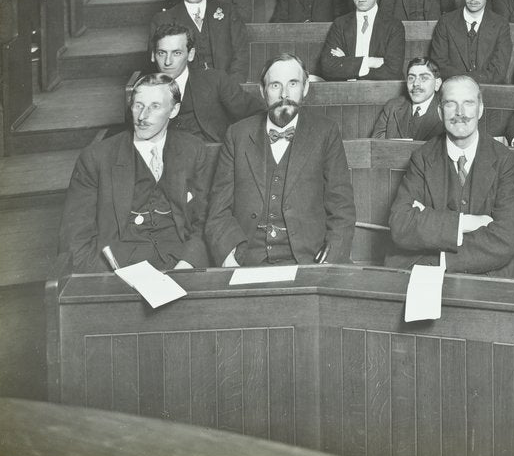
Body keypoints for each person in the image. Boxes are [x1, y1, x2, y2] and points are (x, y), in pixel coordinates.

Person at [206, 53, 356, 266]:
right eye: (275, 85)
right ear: (262, 91)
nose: (284, 94)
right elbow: (218, 210)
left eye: (293, 84)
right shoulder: (237, 135)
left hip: (308, 261)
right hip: (247, 261)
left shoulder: (326, 132)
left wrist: (329, 261)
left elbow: (342, 208)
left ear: (305, 89)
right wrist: (228, 257)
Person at [59, 73, 216, 273]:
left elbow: (204, 220)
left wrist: (187, 264)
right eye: (138, 105)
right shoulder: (96, 158)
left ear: (174, 110)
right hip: (120, 268)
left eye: (155, 106)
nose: (142, 116)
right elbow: (75, 239)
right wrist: (111, 279)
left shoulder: (192, 149)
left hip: (180, 262)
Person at [386, 75, 514, 273]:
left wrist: (439, 250)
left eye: (468, 103)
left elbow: (507, 237)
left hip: (486, 271)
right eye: (451, 104)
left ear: (480, 109)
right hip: (429, 274)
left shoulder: (503, 159)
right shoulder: (423, 157)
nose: (460, 113)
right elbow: (401, 225)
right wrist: (466, 223)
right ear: (440, 112)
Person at [150, 24, 263, 143]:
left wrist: (236, 143)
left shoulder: (215, 81)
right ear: (153, 55)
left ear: (190, 54)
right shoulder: (144, 89)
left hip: (212, 155)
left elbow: (257, 114)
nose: (168, 62)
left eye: (176, 53)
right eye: (162, 53)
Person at [150, 0, 248, 82]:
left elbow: (241, 56)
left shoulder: (228, 12)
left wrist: (230, 90)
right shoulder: (162, 20)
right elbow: (160, 66)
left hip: (225, 88)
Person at [319, 0, 405, 81]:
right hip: (347, 94)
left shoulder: (394, 26)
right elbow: (327, 67)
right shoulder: (340, 24)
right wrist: (371, 62)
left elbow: (393, 70)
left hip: (382, 92)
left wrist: (348, 63)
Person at [429, 0, 511, 84]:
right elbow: (439, 65)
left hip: (488, 90)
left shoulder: (500, 25)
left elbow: (498, 71)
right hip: (454, 90)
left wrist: (468, 80)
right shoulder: (446, 22)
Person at [371, 57, 446, 140]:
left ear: (437, 84)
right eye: (411, 78)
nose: (415, 84)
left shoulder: (446, 111)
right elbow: (376, 146)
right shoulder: (392, 107)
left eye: (424, 78)